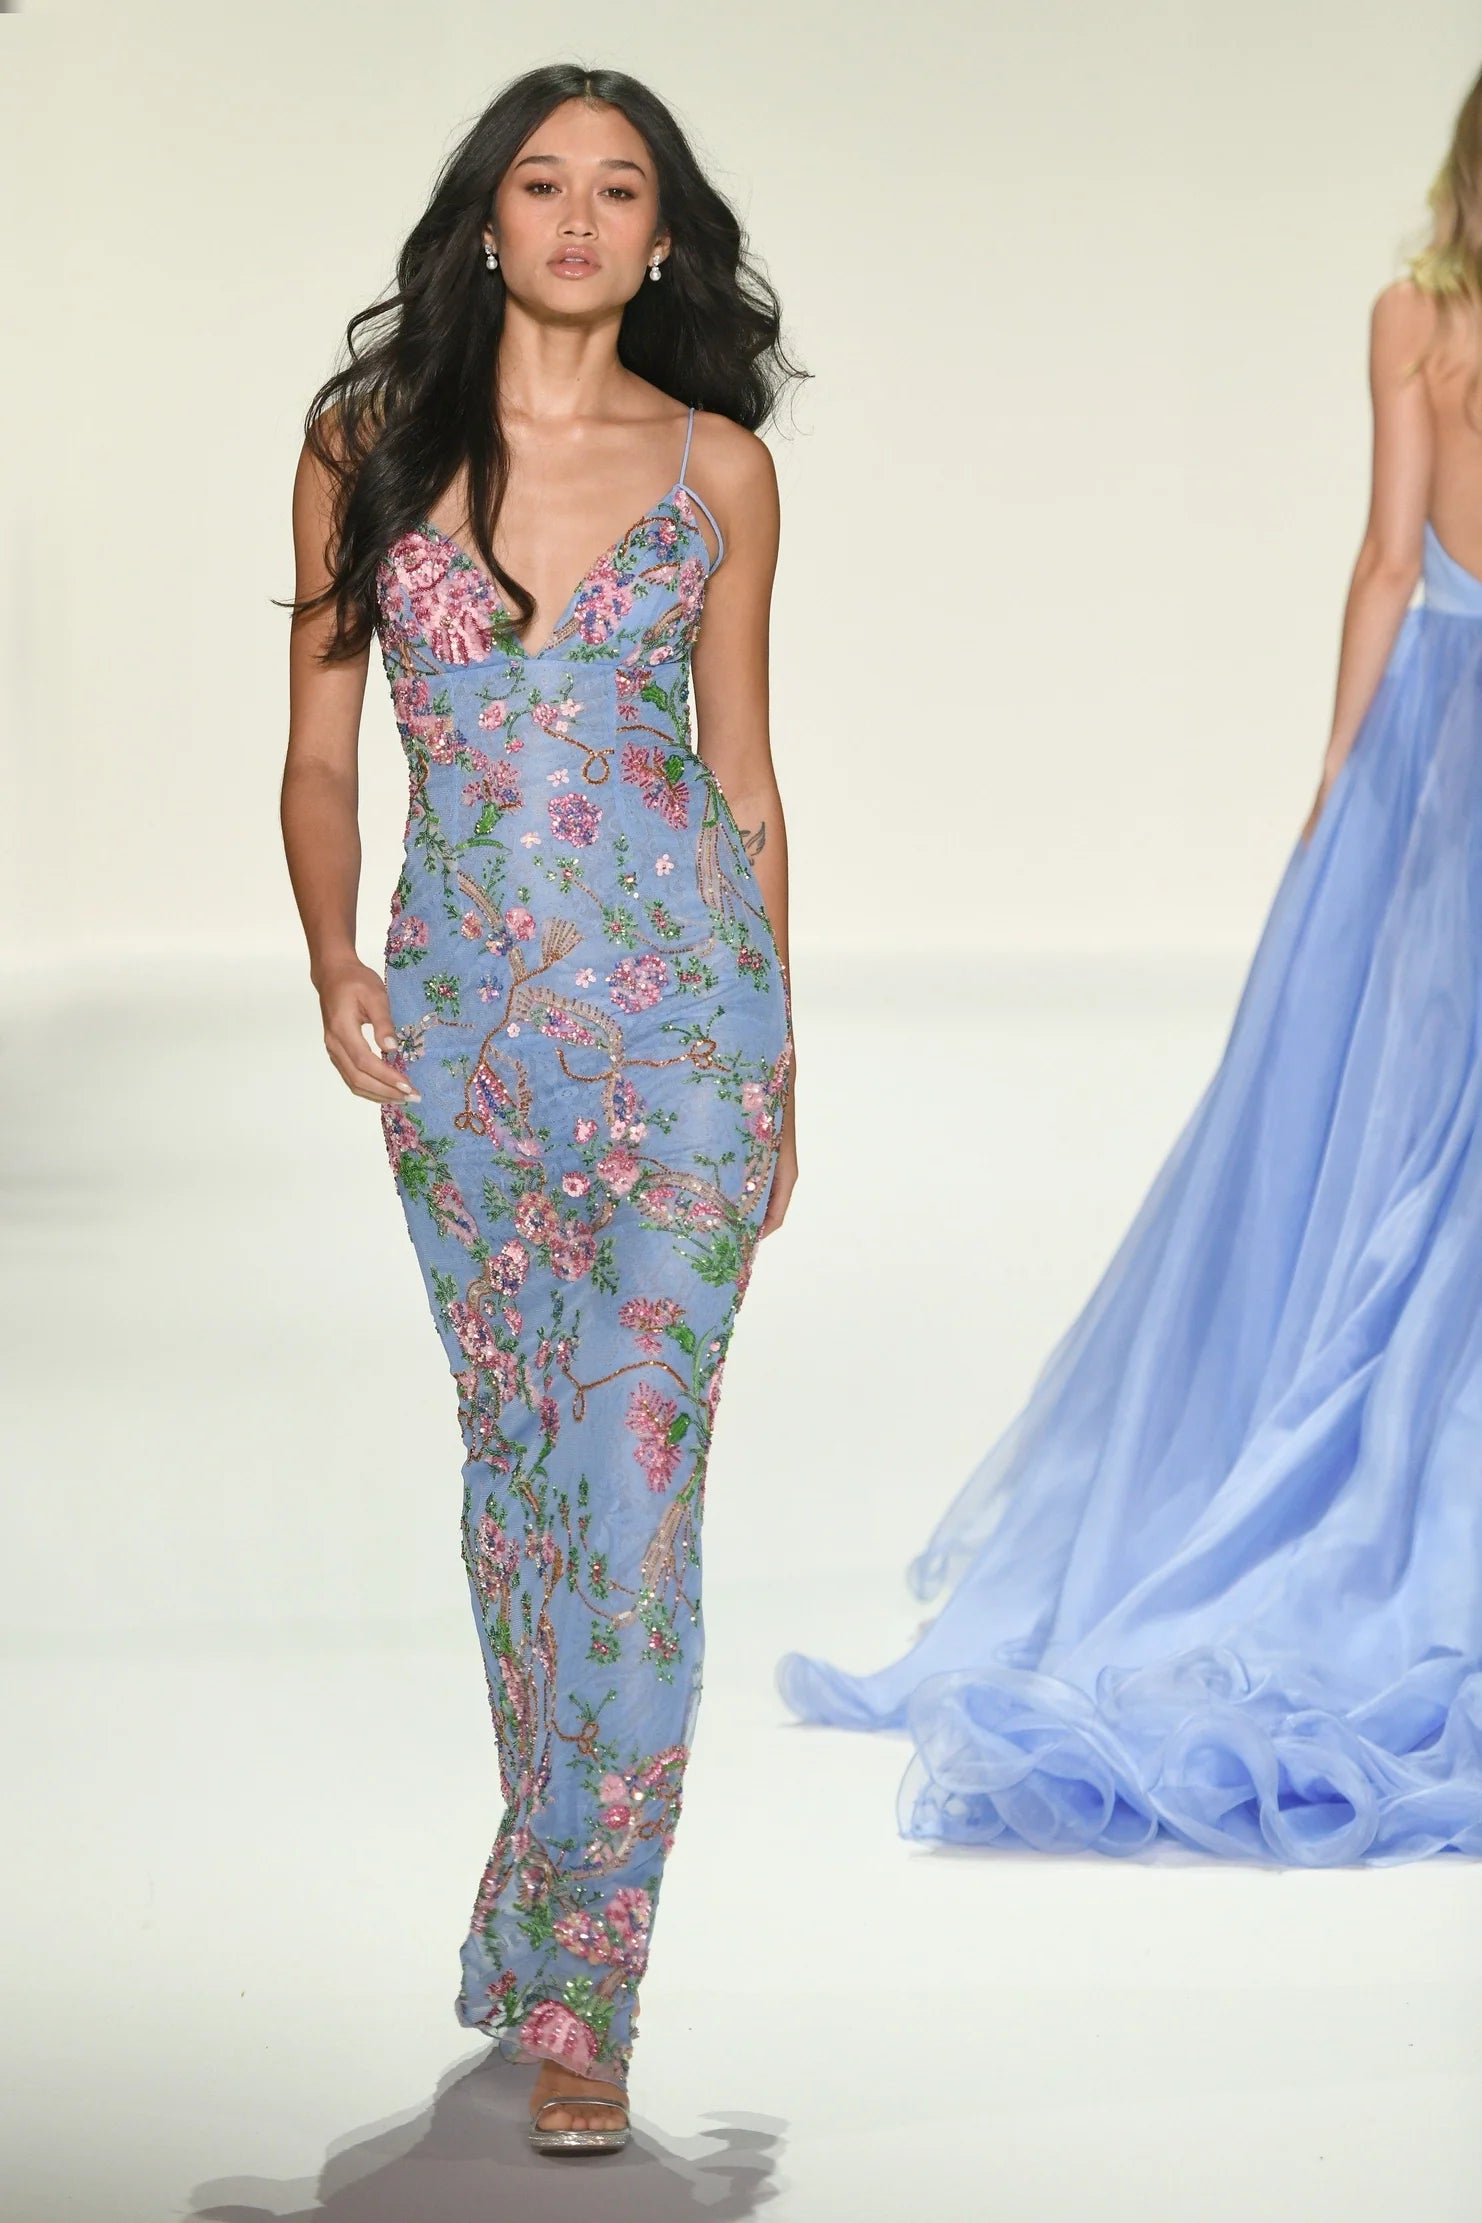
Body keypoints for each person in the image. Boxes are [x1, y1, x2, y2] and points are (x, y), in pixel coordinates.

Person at [780, 67, 1482, 1869]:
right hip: (1441, 760)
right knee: (1431, 1148)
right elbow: (1385, 562)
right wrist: (1339, 791)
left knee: (1397, 1135)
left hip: (1437, 744)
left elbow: (1386, 563)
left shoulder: (1416, 316)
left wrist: (1340, 786)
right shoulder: (1414, 316)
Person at [281, 65, 799, 2155]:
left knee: (636, 1493)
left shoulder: (720, 469)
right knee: (523, 1486)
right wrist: (333, 951)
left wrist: (781, 1053)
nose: (578, 216)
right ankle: (544, 1880)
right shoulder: (365, 448)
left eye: (621, 188)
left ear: (663, 239)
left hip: (685, 1048)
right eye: (540, 181)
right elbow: (324, 749)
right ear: (484, 221)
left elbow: (741, 778)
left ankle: (591, 1984)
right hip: (469, 1049)